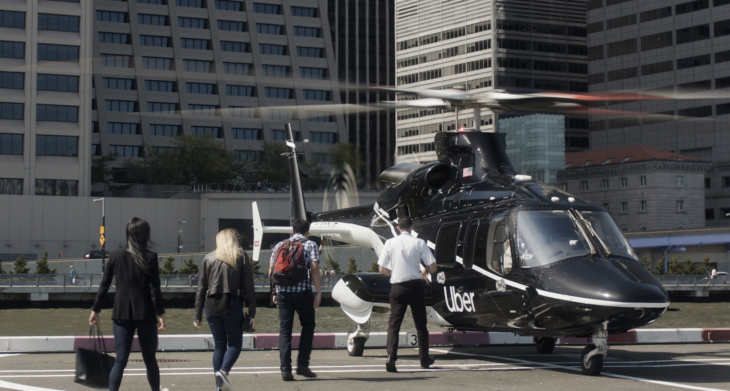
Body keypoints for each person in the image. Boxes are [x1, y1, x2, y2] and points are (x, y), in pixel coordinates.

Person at [89, 217, 166, 391]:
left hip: (121, 313)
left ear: (128, 233)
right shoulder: (151, 257)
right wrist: (160, 313)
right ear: (146, 235)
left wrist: (95, 309)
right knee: (150, 360)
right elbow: (155, 289)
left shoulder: (115, 256)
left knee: (121, 360)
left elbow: (104, 285)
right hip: (146, 313)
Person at [194, 229, 256, 391]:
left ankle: (218, 387)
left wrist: (197, 315)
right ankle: (223, 371)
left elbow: (201, 288)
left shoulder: (208, 258)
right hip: (231, 303)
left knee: (219, 345)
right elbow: (249, 287)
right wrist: (252, 313)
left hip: (210, 305)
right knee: (235, 344)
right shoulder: (241, 256)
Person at [377, 216, 437, 372]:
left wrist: (395, 272)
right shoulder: (419, 243)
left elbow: (382, 269)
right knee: (421, 325)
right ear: (412, 227)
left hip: (397, 286)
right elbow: (433, 267)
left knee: (394, 324)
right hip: (416, 286)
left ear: (398, 228)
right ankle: (424, 360)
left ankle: (391, 357)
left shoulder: (390, 243)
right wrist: (424, 271)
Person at [269, 219, 322, 381]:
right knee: (308, 325)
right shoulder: (310, 244)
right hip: (302, 294)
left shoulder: (279, 245)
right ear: (307, 232)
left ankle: (285, 370)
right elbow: (314, 268)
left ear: (293, 231)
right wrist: (318, 292)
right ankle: (302, 365)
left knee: (285, 330)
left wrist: (273, 292)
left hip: (282, 293)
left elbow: (271, 269)